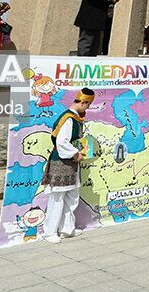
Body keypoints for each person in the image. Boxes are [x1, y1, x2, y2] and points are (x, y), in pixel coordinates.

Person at [42, 87, 94, 242]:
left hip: (71, 163)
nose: (88, 109)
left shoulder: (75, 117)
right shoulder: (69, 118)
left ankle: (67, 228)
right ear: (84, 102)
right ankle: (50, 232)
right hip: (61, 161)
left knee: (72, 195)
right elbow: (61, 141)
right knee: (57, 197)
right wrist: (75, 153)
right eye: (88, 105)